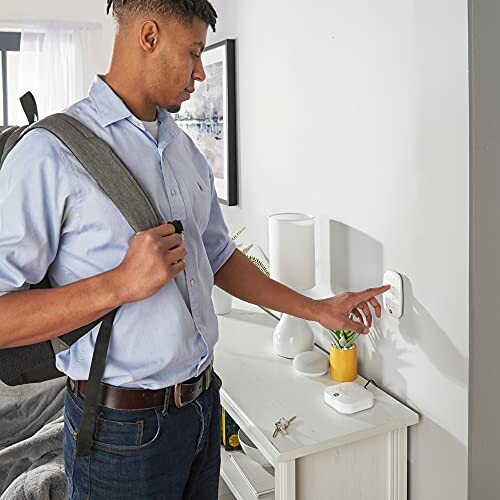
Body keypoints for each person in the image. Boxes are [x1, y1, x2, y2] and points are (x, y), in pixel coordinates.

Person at [0, 1, 389, 498]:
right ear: (148, 37)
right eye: (193, 53)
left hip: (203, 409)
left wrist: (317, 310)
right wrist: (119, 283)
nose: (201, 73)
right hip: (120, 434)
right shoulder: (49, 154)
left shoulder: (182, 150)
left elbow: (219, 256)